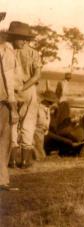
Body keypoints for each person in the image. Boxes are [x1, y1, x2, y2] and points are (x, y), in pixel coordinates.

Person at [6, 21, 41, 169]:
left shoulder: (7, 51)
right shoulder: (33, 53)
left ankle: (12, 160)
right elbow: (36, 76)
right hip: (27, 90)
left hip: (11, 90)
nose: (25, 40)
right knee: (28, 123)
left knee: (12, 123)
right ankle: (25, 161)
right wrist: (23, 87)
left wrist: (16, 89)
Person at [0, 12, 19, 191]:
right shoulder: (5, 50)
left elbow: (9, 80)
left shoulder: (5, 50)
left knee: (4, 141)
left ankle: (2, 180)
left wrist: (11, 106)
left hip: (2, 101)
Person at [33, 91, 58, 160]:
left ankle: (40, 157)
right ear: (45, 100)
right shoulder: (38, 107)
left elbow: (47, 119)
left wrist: (46, 128)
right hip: (37, 128)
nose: (51, 104)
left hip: (43, 129)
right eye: (50, 102)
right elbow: (35, 118)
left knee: (40, 143)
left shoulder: (47, 108)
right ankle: (41, 158)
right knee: (38, 145)